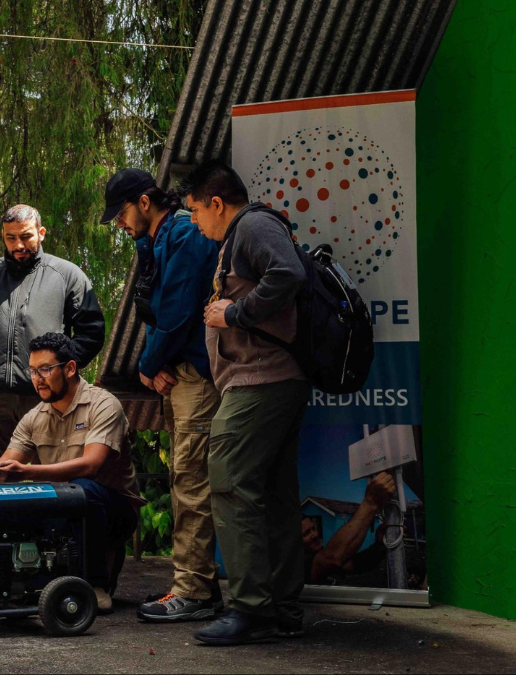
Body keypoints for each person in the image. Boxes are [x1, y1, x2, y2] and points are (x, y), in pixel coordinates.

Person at [184, 160, 311, 646]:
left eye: (196, 211)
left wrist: (234, 313)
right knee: (274, 493)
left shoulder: (252, 224)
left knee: (231, 482)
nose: (195, 222)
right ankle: (280, 608)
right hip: (271, 381)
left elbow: (288, 273)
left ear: (217, 203)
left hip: (261, 381)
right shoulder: (242, 233)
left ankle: (250, 609)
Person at [100, 168, 224, 622]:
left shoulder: (185, 235)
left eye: (123, 213)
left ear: (146, 202)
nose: (119, 223)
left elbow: (176, 309)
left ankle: (194, 591)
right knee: (185, 479)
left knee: (191, 480)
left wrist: (148, 365)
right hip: (181, 373)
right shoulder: (158, 240)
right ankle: (194, 585)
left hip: (196, 375)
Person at [0, 332, 142, 614]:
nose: (37, 378)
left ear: (70, 368)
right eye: (33, 371)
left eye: (45, 369)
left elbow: (90, 465)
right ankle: (17, 578)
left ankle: (95, 584)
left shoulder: (104, 405)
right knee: (11, 499)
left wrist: (27, 473)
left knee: (82, 488)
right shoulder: (35, 417)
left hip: (111, 509)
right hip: (60, 507)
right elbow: (8, 467)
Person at [0, 204, 105, 458]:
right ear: (3, 236)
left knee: (52, 480)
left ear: (41, 233)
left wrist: (60, 371)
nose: (18, 245)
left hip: (48, 398)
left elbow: (92, 331)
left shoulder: (66, 275)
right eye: (11, 237)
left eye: (26, 236)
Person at [304, 472, 397, 587]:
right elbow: (333, 559)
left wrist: (380, 544)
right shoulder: (299, 566)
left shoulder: (318, 556)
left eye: (313, 528)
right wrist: (370, 502)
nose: (315, 535)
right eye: (306, 533)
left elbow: (357, 564)